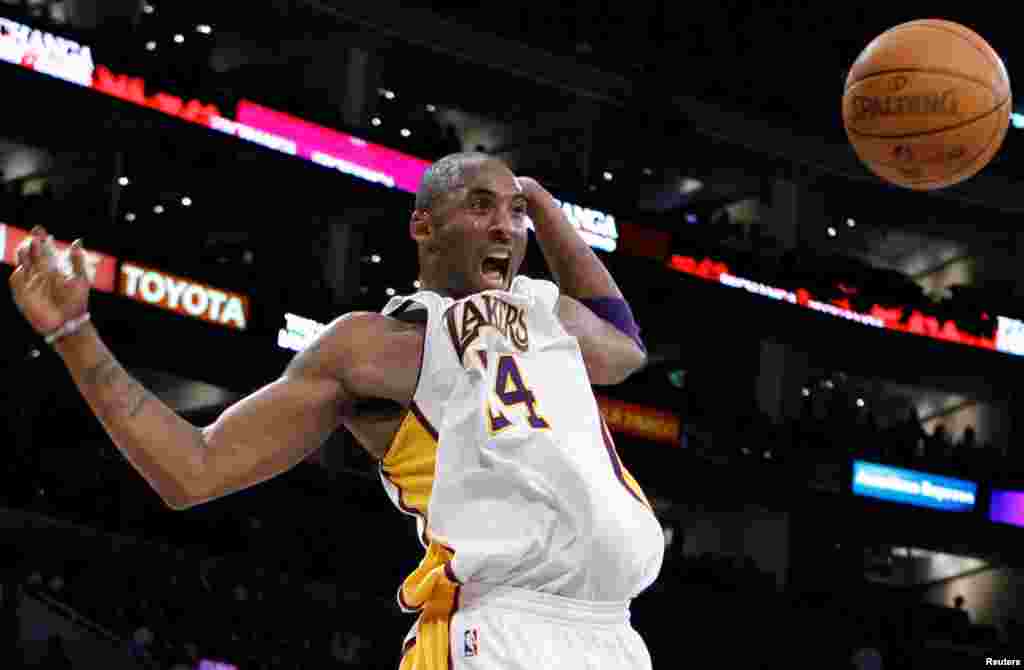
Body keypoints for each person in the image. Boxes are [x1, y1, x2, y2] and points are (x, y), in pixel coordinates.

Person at [8, 152, 664, 669]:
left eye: (514, 212)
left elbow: (626, 346)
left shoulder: (546, 315)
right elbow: (192, 469)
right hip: (499, 633)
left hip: (613, 632)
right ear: (423, 226)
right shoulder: (376, 345)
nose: (504, 224)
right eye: (480, 204)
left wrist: (541, 203)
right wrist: (74, 336)